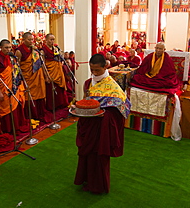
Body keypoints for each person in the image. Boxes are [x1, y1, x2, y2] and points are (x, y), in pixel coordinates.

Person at [74, 54, 130, 194]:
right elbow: (85, 101)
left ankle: (98, 186)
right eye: (91, 69)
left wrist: (105, 116)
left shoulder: (113, 85)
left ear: (105, 66)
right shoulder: (88, 83)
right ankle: (85, 179)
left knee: (99, 157)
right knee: (85, 156)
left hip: (102, 128)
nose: (94, 73)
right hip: (88, 125)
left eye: (97, 70)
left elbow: (122, 109)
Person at [0, 39, 29, 134]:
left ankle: (15, 127)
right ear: (1, 48)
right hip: (3, 89)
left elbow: (15, 72)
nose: (8, 50)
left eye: (10, 48)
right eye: (6, 48)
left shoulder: (12, 58)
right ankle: (7, 129)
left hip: (13, 87)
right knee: (5, 108)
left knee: (14, 106)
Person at [15, 32, 47, 122]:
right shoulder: (19, 51)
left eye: (32, 39)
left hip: (36, 76)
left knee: (38, 93)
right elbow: (18, 66)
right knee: (28, 95)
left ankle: (39, 113)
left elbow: (39, 63)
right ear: (23, 40)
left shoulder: (35, 50)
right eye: (29, 40)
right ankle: (30, 115)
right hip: (27, 77)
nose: (31, 41)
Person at [41, 34, 69, 111]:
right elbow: (42, 64)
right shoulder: (43, 50)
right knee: (51, 91)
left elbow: (59, 59)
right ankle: (51, 107)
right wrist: (46, 76)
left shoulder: (56, 49)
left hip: (58, 71)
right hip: (50, 72)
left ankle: (60, 105)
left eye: (53, 39)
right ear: (46, 40)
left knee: (59, 90)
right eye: (50, 39)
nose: (52, 41)